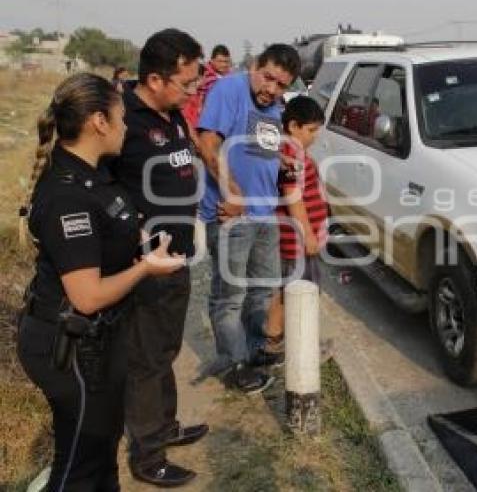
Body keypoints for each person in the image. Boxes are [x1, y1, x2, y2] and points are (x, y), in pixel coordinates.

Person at [16, 73, 185, 491]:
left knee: (102, 455)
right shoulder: (67, 194)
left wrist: (139, 241)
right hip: (70, 347)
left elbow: (111, 224)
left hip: (99, 343)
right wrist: (146, 269)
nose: (127, 126)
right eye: (121, 117)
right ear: (98, 122)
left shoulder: (94, 174)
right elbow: (87, 296)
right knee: (80, 467)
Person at [111, 28, 206, 487]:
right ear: (153, 78)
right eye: (185, 83)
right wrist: (135, 234)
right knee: (146, 358)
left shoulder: (172, 115)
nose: (192, 93)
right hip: (146, 265)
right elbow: (100, 191)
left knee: (165, 349)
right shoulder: (119, 120)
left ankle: (165, 425)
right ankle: (148, 455)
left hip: (177, 257)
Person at [196, 44, 300, 393]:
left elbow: (256, 144)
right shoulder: (229, 89)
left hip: (264, 214)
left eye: (281, 85)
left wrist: (278, 161)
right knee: (230, 296)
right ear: (255, 66)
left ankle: (254, 351)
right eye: (268, 77)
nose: (271, 89)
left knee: (261, 292)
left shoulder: (272, 106)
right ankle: (235, 363)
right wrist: (234, 192)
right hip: (231, 216)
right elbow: (208, 143)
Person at [264, 96, 328, 351]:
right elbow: (293, 196)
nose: (315, 137)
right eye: (311, 130)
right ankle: (302, 346)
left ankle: (275, 339)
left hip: (294, 239)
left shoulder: (286, 147)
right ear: (293, 126)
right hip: (297, 241)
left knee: (286, 290)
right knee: (303, 293)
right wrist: (308, 236)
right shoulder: (291, 151)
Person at [182, 44, 231, 141]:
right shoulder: (203, 74)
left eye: (226, 61)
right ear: (212, 60)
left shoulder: (231, 78)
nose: (223, 64)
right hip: (202, 123)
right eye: (220, 61)